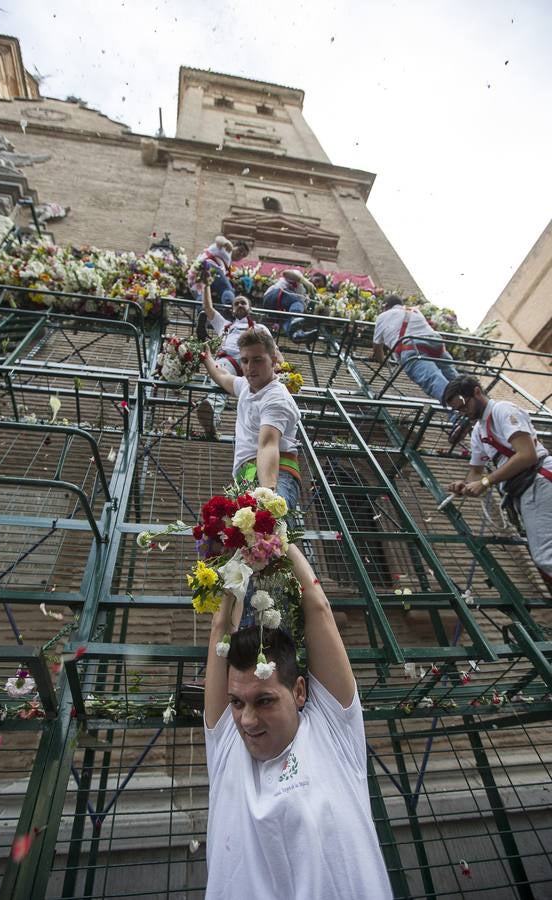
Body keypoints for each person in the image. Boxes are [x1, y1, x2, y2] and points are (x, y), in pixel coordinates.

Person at [203, 542, 393, 900]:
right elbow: (219, 629)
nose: (246, 719)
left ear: (300, 692)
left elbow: (318, 607)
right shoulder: (227, 748)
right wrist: (239, 553)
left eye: (265, 701)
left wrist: (277, 539)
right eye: (236, 702)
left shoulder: (332, 733)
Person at [444, 375, 552, 586]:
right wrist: (465, 486)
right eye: (458, 410)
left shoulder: (503, 410)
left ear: (477, 392)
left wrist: (485, 482)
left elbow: (527, 455)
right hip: (525, 489)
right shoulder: (478, 432)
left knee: (545, 556)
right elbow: (476, 472)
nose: (462, 412)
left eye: (463, 405)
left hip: (538, 480)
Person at [201, 326, 300, 512]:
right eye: (245, 361)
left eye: (257, 360)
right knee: (250, 538)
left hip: (275, 475)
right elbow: (222, 375)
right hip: (247, 476)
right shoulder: (246, 386)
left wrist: (267, 496)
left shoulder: (276, 398)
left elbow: (268, 446)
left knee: (274, 533)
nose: (250, 367)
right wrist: (206, 357)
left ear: (274, 360)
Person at [196, 285, 278, 439]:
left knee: (262, 393)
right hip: (230, 360)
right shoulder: (225, 325)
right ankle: (212, 415)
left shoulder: (260, 327)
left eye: (243, 303)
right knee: (219, 371)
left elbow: (273, 349)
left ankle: (265, 423)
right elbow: (207, 307)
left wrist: (282, 366)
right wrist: (206, 284)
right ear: (232, 310)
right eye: (236, 303)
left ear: (250, 309)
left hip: (254, 361)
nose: (240, 305)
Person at [372, 294, 459, 403]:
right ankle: (471, 399)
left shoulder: (383, 316)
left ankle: (458, 411)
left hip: (412, 347)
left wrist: (384, 363)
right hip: (437, 344)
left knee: (433, 379)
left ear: (385, 306)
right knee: (454, 378)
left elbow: (377, 347)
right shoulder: (414, 311)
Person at [189, 235, 249, 315]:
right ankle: (229, 311)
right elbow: (219, 239)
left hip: (196, 271)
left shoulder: (228, 263)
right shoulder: (227, 249)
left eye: (243, 255)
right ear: (234, 246)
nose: (240, 254)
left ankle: (202, 314)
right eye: (240, 250)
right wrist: (227, 243)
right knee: (227, 290)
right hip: (210, 266)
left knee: (201, 294)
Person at [262, 269, 320, 343]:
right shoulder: (299, 278)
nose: (316, 285)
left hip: (276, 309)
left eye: (319, 286)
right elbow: (286, 273)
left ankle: (296, 335)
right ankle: (295, 319)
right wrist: (305, 282)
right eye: (316, 281)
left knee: (288, 321)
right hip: (274, 294)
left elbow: (300, 307)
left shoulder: (303, 294)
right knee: (297, 304)